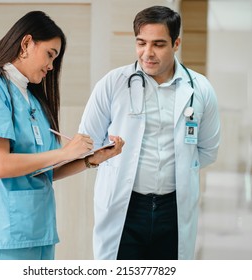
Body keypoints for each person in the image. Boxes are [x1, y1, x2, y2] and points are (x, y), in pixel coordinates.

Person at [0, 10, 124, 260]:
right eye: (50, 55)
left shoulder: (34, 101)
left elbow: (46, 170)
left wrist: (92, 159)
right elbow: (0, 165)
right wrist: (64, 152)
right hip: (4, 231)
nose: (51, 66)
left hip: (39, 228)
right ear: (26, 43)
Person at [79, 5, 220, 260]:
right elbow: (85, 141)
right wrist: (106, 155)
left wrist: (183, 166)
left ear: (176, 43)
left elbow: (208, 150)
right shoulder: (113, 83)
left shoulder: (200, 89)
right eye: (141, 43)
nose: (148, 53)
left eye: (158, 44)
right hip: (125, 206)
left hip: (172, 209)